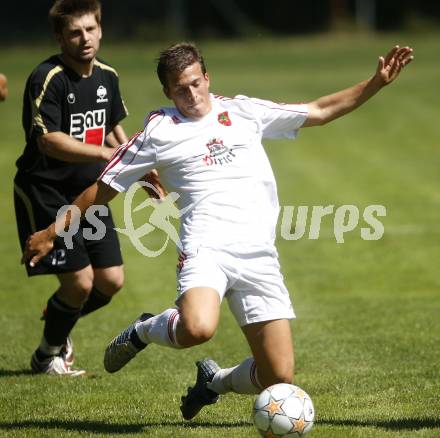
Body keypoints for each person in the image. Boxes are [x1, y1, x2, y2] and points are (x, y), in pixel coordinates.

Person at [23, 42, 413, 417]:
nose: (191, 94)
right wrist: (53, 232)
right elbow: (102, 188)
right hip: (206, 248)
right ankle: (145, 330)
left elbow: (318, 110)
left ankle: (215, 382)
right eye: (180, 88)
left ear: (207, 77)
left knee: (278, 377)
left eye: (196, 82)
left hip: (259, 254)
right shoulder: (160, 130)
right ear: (167, 91)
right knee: (197, 327)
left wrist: (375, 83)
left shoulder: (243, 111)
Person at [14, 0, 159, 376]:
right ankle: (47, 355)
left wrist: (133, 163)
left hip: (89, 193)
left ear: (101, 29)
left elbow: (112, 126)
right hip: (46, 191)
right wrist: (107, 152)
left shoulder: (107, 76)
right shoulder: (48, 78)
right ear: (60, 37)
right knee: (79, 283)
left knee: (110, 281)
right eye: (75, 33)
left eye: (90, 30)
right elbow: (49, 141)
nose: (84, 39)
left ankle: (58, 318)